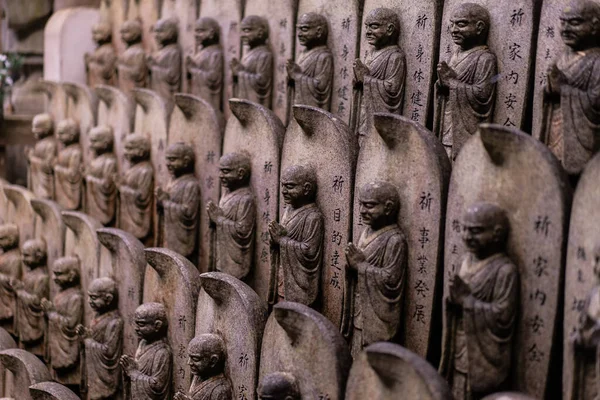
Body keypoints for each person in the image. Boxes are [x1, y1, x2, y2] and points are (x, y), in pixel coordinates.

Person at [439, 202, 519, 399]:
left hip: (482, 350)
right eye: (464, 229)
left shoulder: (504, 270)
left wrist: (467, 302)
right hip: (459, 343)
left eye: (476, 231)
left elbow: (503, 315)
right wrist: (453, 302)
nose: (467, 236)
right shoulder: (465, 261)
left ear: (497, 234)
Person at [344, 181, 407, 358]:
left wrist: (361, 266)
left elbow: (391, 280)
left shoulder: (395, 240)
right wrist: (351, 266)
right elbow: (356, 265)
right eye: (361, 205)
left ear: (388, 208)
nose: (363, 211)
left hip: (375, 316)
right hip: (358, 311)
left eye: (370, 205)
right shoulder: (365, 233)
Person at [540, 0, 600, 175]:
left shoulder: (596, 61)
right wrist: (549, 89)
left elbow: (597, 101)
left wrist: (562, 89)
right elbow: (550, 92)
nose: (566, 29)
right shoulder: (561, 58)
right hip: (556, 131)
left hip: (581, 139)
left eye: (574, 23)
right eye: (563, 22)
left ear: (595, 26)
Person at [434, 3, 497, 161]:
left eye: (461, 24)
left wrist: (452, 83)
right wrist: (441, 84)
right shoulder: (455, 55)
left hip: (465, 130)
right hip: (447, 124)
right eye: (452, 24)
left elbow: (483, 95)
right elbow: (446, 87)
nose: (454, 30)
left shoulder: (484, 58)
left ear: (479, 27)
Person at [269, 165, 323, 306]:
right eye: (283, 186)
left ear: (306, 189)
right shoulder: (288, 210)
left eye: (290, 186)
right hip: (283, 276)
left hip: (299, 282)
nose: (284, 191)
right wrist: (276, 239)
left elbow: (309, 251)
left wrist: (281, 240)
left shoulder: (312, 217)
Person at [354, 8, 405, 142]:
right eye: (366, 27)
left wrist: (366, 79)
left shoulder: (395, 56)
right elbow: (363, 82)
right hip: (365, 116)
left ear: (389, 29)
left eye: (374, 26)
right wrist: (358, 80)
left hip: (379, 121)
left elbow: (392, 90)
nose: (368, 32)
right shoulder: (371, 54)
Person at [207, 152, 256, 280]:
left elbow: (243, 231)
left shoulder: (245, 199)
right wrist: (214, 219)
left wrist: (219, 219)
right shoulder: (226, 194)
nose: (221, 175)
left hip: (235, 259)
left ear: (240, 174)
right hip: (222, 255)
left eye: (226, 171)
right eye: (220, 171)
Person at [76, 277, 123, 400]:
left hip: (105, 375)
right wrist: (85, 336)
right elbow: (94, 339)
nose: (89, 301)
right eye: (89, 296)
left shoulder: (114, 322)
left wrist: (87, 340)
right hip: (93, 374)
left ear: (108, 299)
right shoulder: (98, 316)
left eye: (94, 298)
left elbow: (109, 352)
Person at [41, 256, 83, 384]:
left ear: (71, 275)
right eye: (54, 274)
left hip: (67, 349)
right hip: (57, 346)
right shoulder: (61, 293)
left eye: (59, 274)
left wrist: (51, 313)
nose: (54, 278)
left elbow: (71, 324)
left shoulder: (75, 298)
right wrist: (49, 311)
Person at [156, 143, 200, 260]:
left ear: (186, 161)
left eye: (173, 159)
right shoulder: (172, 181)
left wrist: (165, 203)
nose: (168, 164)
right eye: (167, 159)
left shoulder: (191, 184)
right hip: (168, 235)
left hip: (181, 239)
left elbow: (188, 213)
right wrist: (161, 200)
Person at [120, 302, 172, 400]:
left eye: (141, 324)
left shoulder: (162, 352)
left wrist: (133, 373)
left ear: (157, 325)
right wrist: (128, 369)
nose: (136, 328)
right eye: (136, 323)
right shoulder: (143, 343)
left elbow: (158, 386)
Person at [287, 13, 333, 110]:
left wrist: (297, 76)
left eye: (304, 29)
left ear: (319, 31)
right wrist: (291, 76)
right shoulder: (302, 54)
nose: (299, 34)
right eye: (298, 29)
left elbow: (321, 88)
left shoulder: (323, 56)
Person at [12, 239, 49, 356]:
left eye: (27, 256)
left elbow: (37, 301)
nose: (23, 259)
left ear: (38, 257)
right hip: (24, 322)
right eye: (22, 255)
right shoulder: (29, 274)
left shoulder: (41, 278)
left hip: (34, 323)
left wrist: (20, 292)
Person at [118, 134, 154, 244]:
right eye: (125, 148)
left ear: (141, 151)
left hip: (137, 219)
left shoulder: (145, 170)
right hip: (128, 215)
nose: (125, 152)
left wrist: (123, 189)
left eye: (129, 148)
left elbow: (142, 196)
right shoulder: (133, 169)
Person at [173, 334, 233, 400]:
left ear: (213, 361)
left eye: (195, 359)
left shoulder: (220, 390)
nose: (189, 363)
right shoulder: (199, 375)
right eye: (190, 357)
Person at [231, 15, 273, 107]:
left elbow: (262, 82)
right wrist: (239, 70)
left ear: (260, 32)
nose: (242, 35)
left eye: (247, 30)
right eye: (242, 31)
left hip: (256, 104)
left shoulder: (264, 54)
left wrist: (240, 73)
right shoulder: (248, 53)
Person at [187, 17, 224, 111]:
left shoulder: (215, 53)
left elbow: (213, 78)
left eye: (200, 31)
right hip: (197, 94)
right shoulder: (202, 52)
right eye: (196, 31)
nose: (196, 35)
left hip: (208, 100)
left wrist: (193, 70)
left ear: (211, 33)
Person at [85, 126, 118, 225]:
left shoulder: (109, 162)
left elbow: (106, 185)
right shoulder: (96, 160)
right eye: (90, 141)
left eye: (94, 141)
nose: (90, 145)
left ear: (105, 143)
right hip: (93, 203)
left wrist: (89, 178)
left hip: (103, 205)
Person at [147, 17, 182, 104]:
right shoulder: (163, 51)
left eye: (160, 31)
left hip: (167, 95)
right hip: (158, 91)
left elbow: (172, 76)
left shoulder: (173, 51)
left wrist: (154, 67)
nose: (156, 35)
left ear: (170, 32)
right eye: (155, 31)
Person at [54, 119, 83, 210]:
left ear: (71, 135)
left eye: (62, 133)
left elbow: (73, 174)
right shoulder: (64, 151)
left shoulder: (75, 152)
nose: (58, 136)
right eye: (58, 133)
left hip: (70, 194)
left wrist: (57, 168)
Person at [27, 113, 57, 199]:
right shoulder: (39, 144)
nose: (33, 130)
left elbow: (48, 165)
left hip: (44, 186)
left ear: (46, 129)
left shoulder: (50, 145)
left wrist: (32, 159)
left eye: (37, 127)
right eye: (33, 127)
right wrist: (31, 155)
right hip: (37, 182)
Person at [117, 20, 147, 93]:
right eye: (122, 32)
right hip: (124, 87)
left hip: (133, 89)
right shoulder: (127, 52)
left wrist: (121, 67)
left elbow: (138, 74)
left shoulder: (139, 52)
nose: (122, 35)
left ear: (136, 33)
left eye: (126, 32)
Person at [0, 224, 20, 334]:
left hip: (6, 298)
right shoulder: (3, 255)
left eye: (1, 239)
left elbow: (13, 281)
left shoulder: (15, 259)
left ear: (11, 240)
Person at [85, 22, 117, 87]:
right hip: (94, 84)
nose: (94, 36)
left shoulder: (108, 51)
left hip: (103, 85)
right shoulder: (98, 50)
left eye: (97, 33)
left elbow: (108, 72)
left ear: (105, 34)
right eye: (93, 33)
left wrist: (91, 64)